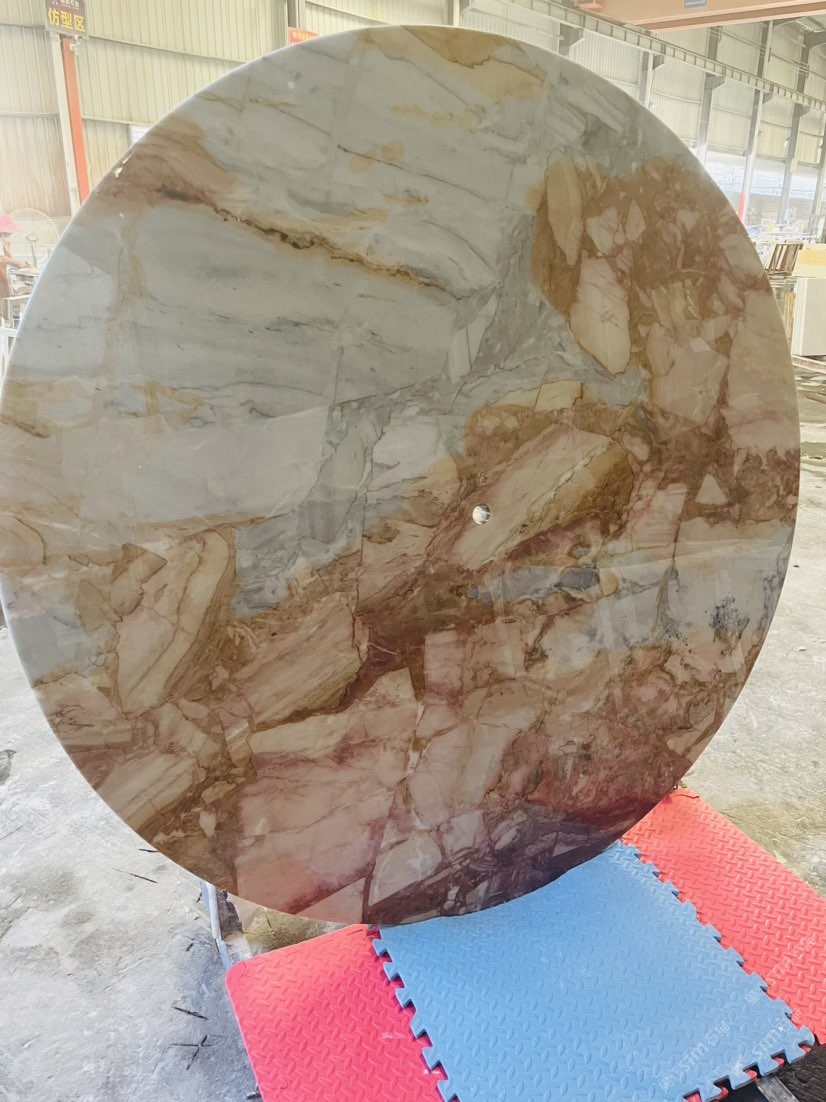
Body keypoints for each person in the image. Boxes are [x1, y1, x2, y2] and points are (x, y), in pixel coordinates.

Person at [0, 213, 24, 307]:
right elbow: (1, 259)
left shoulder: (2, 239)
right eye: (9, 230)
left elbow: (6, 258)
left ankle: (5, 310)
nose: (11, 233)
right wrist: (18, 263)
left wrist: (7, 251)